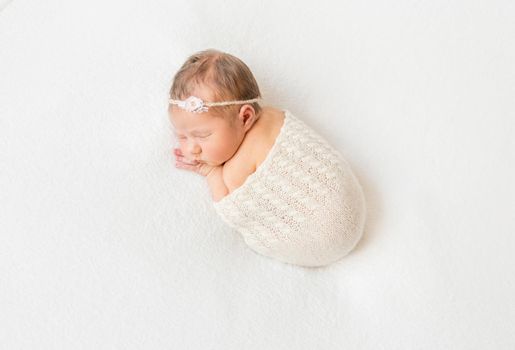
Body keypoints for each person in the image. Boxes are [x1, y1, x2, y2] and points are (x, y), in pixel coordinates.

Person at [168, 48, 366, 267]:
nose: (191, 149)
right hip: (354, 204)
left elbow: (229, 207)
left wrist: (211, 171)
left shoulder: (234, 172)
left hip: (316, 239)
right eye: (182, 136)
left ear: (245, 117)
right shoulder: (274, 115)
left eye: (202, 136)